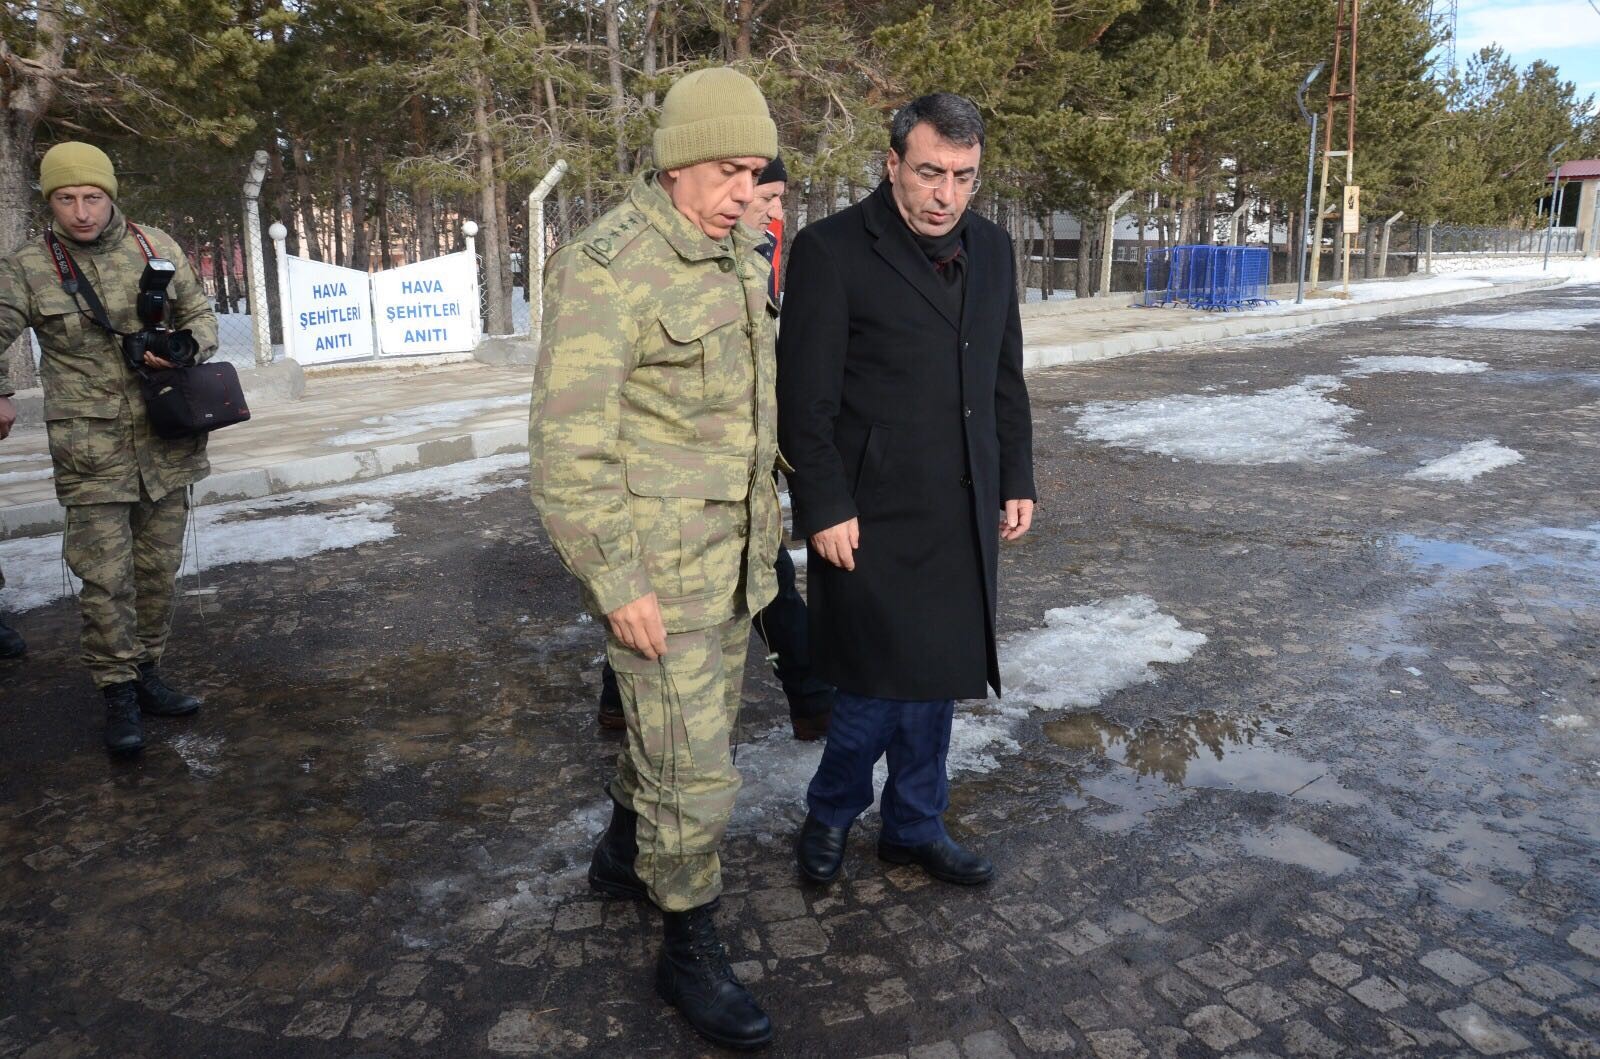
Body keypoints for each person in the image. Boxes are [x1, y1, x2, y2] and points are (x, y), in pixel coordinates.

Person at [528, 68, 782, 1050]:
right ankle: (689, 944)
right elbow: (567, 454)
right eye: (727, 172)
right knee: (698, 769)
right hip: (658, 578)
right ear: (676, 165)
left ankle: (620, 854)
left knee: (677, 739)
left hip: (732, 562)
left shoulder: (736, 256)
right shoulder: (605, 269)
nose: (744, 194)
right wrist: (617, 581)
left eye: (755, 173)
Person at [776, 93, 1036, 888]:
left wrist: (1016, 475)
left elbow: (1003, 374)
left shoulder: (992, 249)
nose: (946, 194)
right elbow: (804, 401)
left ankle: (915, 822)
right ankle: (832, 810)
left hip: (963, 501)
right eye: (929, 173)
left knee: (940, 677)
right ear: (892, 165)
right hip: (870, 512)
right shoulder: (830, 250)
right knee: (873, 685)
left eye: (963, 176)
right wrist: (823, 505)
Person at [592, 153, 834, 743]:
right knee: (759, 589)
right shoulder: (641, 264)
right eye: (766, 197)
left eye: (771, 195)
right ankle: (813, 699)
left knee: (749, 588)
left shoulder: (749, 258)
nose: (772, 210)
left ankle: (621, 707)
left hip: (743, 478)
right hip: (682, 497)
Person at [0, 142, 214, 753]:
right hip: (90, 450)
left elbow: (201, 315)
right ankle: (117, 692)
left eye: (92, 197)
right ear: (49, 202)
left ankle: (147, 673)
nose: (81, 212)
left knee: (157, 571)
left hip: (165, 441)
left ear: (110, 195)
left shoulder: (155, 247)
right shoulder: (27, 267)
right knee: (104, 579)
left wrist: (185, 347)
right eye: (66, 198)